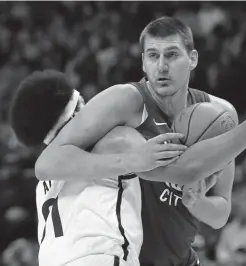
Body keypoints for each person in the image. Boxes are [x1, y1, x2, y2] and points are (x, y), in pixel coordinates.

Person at [34, 16, 246, 266]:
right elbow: (47, 163)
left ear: (193, 58)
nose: (161, 66)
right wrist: (130, 161)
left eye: (171, 55)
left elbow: (220, 213)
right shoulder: (125, 101)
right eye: (152, 56)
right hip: (125, 258)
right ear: (143, 61)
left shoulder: (220, 115)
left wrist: (196, 203)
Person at [9, 69, 188, 266]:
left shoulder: (43, 186)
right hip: (100, 256)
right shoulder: (116, 139)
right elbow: (180, 176)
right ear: (77, 110)